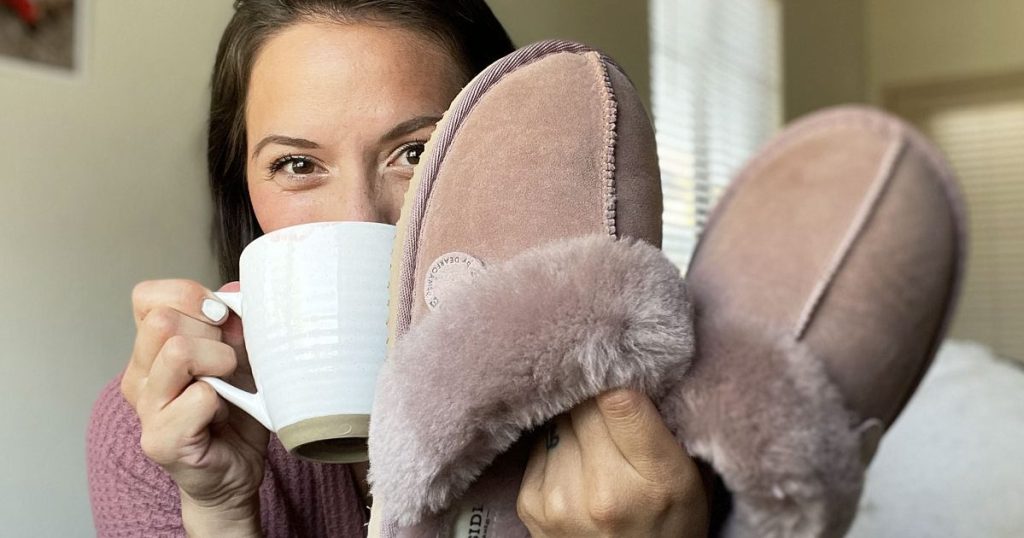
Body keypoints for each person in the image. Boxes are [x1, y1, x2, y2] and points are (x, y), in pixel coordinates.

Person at [86, 1, 709, 536]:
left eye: (415, 153)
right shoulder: (164, 433)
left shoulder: (651, 423)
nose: (362, 217)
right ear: (241, 186)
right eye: (298, 166)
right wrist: (219, 512)